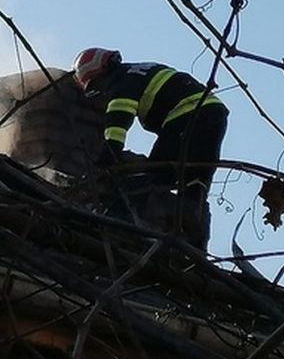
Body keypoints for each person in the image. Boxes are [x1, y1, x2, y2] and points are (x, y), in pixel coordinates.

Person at [72, 47, 228, 248]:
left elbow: (119, 114)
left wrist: (111, 151)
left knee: (157, 175)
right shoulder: (141, 70)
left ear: (101, 73)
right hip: (214, 114)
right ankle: (194, 247)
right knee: (195, 183)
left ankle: (125, 224)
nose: (101, 92)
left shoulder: (120, 79)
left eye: (96, 86)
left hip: (185, 116)